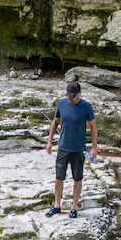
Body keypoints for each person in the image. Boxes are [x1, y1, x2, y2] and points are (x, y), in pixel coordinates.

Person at [45, 80, 96, 219]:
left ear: (79, 94)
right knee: (58, 177)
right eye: (68, 95)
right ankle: (56, 205)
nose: (70, 98)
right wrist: (49, 141)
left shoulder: (86, 107)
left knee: (77, 179)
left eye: (72, 96)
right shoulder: (62, 103)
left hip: (78, 149)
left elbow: (93, 127)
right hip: (63, 148)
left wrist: (94, 148)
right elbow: (55, 121)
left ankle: (74, 207)